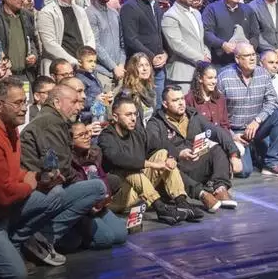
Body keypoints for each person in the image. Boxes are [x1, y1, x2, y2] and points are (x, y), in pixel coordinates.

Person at [0, 78, 100, 279]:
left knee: (67, 197)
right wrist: (34, 182)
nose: (23, 108)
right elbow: (5, 195)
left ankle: (20, 241)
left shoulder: (11, 129)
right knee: (15, 277)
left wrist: (35, 177)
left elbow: (14, 173)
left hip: (5, 211)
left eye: (25, 102)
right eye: (17, 103)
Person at [19, 83, 108, 242]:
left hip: (48, 187)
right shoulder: (51, 122)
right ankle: (41, 239)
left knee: (76, 242)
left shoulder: (53, 121)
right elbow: (60, 169)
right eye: (73, 102)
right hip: (40, 190)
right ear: (57, 102)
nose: (79, 107)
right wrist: (87, 189)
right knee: (97, 188)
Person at [97, 94, 197, 224]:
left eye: (135, 114)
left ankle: (181, 202)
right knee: (130, 170)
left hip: (138, 192)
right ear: (115, 117)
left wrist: (171, 158)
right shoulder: (106, 136)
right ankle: (160, 208)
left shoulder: (137, 132)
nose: (133, 118)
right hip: (115, 198)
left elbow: (162, 143)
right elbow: (118, 159)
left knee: (162, 153)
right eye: (128, 115)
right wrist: (152, 164)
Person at [148, 86, 242, 212]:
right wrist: (178, 153)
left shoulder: (193, 115)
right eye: (175, 100)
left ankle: (220, 188)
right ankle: (202, 194)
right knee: (169, 165)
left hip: (194, 162)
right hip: (175, 171)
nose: (181, 103)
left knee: (217, 149)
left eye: (182, 99)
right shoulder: (155, 122)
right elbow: (156, 144)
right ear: (165, 104)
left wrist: (234, 154)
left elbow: (216, 131)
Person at [217, 43, 278, 177]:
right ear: (237, 59)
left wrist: (257, 120)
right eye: (247, 55)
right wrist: (232, 135)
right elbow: (217, 113)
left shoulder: (263, 73)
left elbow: (272, 101)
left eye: (253, 55)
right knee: (244, 172)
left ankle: (271, 164)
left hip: (257, 126)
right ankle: (230, 156)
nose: (252, 58)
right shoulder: (224, 77)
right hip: (236, 131)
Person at [66, 122, 127, 250]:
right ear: (70, 140)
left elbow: (103, 178)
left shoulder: (94, 154)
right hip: (82, 211)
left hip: (99, 205)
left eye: (87, 133)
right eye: (81, 135)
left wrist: (105, 199)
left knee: (121, 235)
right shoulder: (67, 161)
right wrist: (90, 206)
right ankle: (76, 237)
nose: (87, 137)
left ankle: (112, 223)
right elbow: (75, 190)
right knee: (106, 240)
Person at [120, 0, 168, 102]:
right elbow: (131, 39)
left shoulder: (156, 5)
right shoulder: (129, 7)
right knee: (141, 106)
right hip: (139, 69)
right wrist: (152, 57)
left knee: (158, 106)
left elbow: (159, 34)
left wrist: (165, 53)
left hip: (159, 68)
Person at [37, 0, 96, 76]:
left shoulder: (80, 11)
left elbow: (89, 36)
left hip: (83, 68)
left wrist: (88, 58)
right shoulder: (47, 12)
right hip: (61, 70)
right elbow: (50, 44)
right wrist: (74, 62)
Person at [162, 0, 210, 94]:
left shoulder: (196, 13)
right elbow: (176, 44)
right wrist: (201, 58)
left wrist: (207, 54)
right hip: (182, 74)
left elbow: (200, 39)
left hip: (199, 72)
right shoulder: (170, 15)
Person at [203, 0, 260, 66]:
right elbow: (207, 33)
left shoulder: (248, 10)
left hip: (245, 61)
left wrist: (250, 46)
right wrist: (222, 44)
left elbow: (255, 34)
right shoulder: (211, 9)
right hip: (220, 62)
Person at [86, 0, 126, 90]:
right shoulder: (89, 13)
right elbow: (95, 45)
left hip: (120, 72)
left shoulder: (115, 13)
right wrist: (113, 67)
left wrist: (121, 65)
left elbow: (122, 43)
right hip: (102, 73)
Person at [185, 63, 231, 131]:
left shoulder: (220, 98)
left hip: (220, 136)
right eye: (210, 78)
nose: (214, 82)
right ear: (200, 78)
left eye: (215, 78)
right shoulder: (189, 99)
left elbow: (225, 125)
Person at [123, 53, 158, 123]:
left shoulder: (151, 91)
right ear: (133, 69)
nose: (145, 69)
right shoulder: (127, 93)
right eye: (140, 66)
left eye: (147, 65)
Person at [75, 46, 103, 118]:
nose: (93, 65)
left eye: (95, 61)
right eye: (90, 61)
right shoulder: (79, 79)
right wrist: (95, 100)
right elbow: (79, 101)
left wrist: (106, 98)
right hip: (87, 116)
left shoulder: (93, 75)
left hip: (98, 112)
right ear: (80, 62)